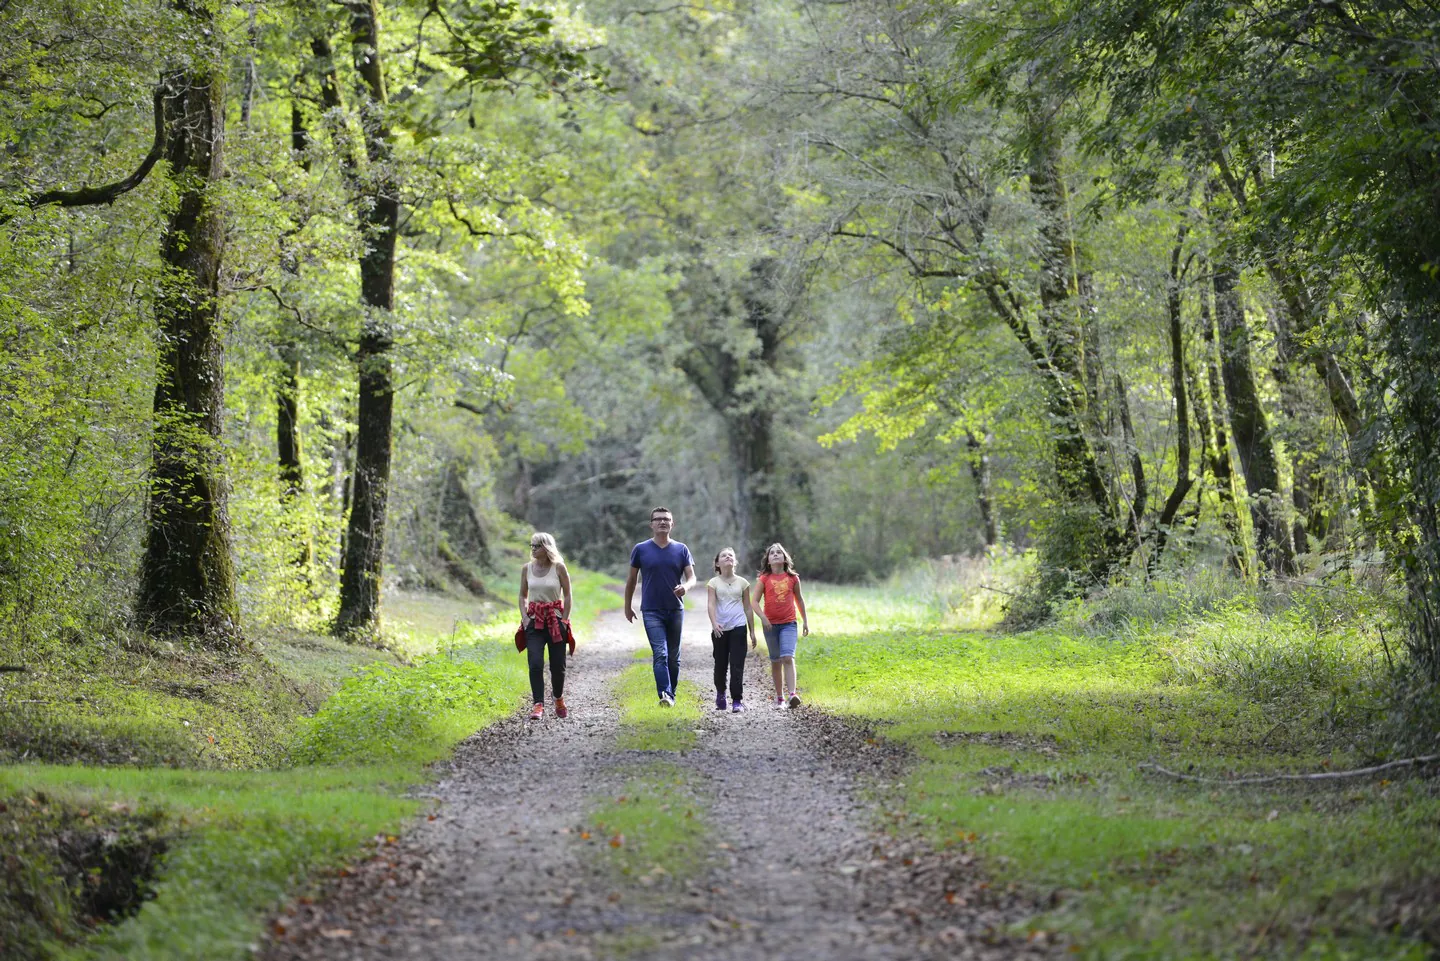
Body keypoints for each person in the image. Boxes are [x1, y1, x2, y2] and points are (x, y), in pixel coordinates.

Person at [623, 506, 696, 707]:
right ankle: (665, 694)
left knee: (674, 657)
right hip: (651, 610)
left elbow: (691, 577)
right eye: (658, 519)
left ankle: (671, 694)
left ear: (672, 524)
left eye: (666, 519)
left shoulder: (681, 549)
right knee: (660, 654)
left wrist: (686, 587)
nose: (662, 522)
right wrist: (627, 606)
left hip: (675, 610)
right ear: (651, 524)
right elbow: (631, 580)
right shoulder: (641, 549)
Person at [518, 532, 573, 720]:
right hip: (534, 621)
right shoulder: (527, 568)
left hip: (555, 620)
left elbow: (567, 595)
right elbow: (522, 595)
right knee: (535, 664)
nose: (533, 549)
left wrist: (564, 620)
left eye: (537, 546)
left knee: (558, 667)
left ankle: (558, 697)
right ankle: (538, 705)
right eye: (531, 545)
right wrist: (525, 618)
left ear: (546, 547)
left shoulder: (559, 568)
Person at [752, 542, 809, 708]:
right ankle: (780, 698)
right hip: (770, 626)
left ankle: (792, 694)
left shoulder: (793, 578)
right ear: (768, 561)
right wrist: (763, 618)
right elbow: (754, 602)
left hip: (789, 624)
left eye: (779, 552)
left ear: (785, 558)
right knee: (775, 661)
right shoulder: (764, 579)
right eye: (772, 553)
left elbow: (799, 599)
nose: (776, 554)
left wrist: (805, 620)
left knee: (787, 657)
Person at [706, 547, 757, 713]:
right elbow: (711, 604)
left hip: (738, 627)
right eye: (723, 555)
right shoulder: (713, 583)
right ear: (717, 563)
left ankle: (737, 700)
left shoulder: (743, 583)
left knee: (737, 665)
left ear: (734, 562)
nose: (728, 557)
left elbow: (748, 608)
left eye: (731, 555)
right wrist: (714, 623)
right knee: (720, 664)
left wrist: (752, 631)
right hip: (720, 629)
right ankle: (721, 693)